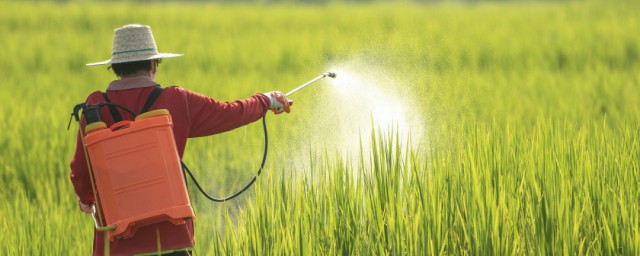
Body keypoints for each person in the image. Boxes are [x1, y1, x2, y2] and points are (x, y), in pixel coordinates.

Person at [70, 24, 291, 256]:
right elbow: (230, 112)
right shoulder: (175, 100)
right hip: (170, 240)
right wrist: (266, 100)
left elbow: (80, 171)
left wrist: (87, 198)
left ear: (115, 67)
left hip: (116, 243)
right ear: (153, 64)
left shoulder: (95, 107)